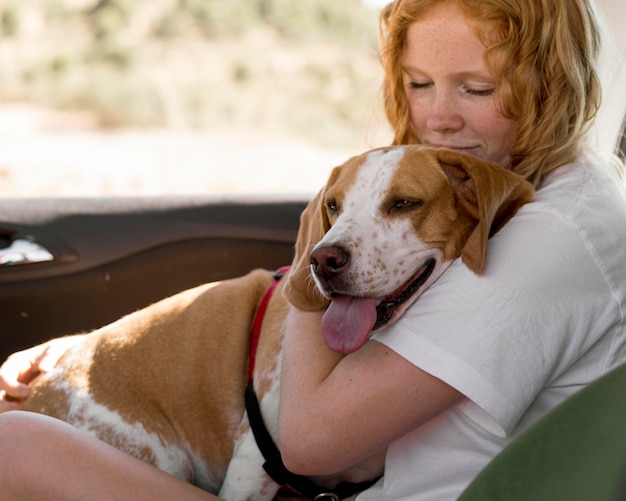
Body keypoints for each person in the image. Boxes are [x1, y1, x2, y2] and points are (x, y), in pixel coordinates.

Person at [1, 0, 625, 499]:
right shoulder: (543, 197)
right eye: (418, 83)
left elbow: (300, 444)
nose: (438, 118)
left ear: (552, 84)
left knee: (12, 449)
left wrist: (313, 261)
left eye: (478, 89)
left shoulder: (548, 238)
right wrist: (89, 350)